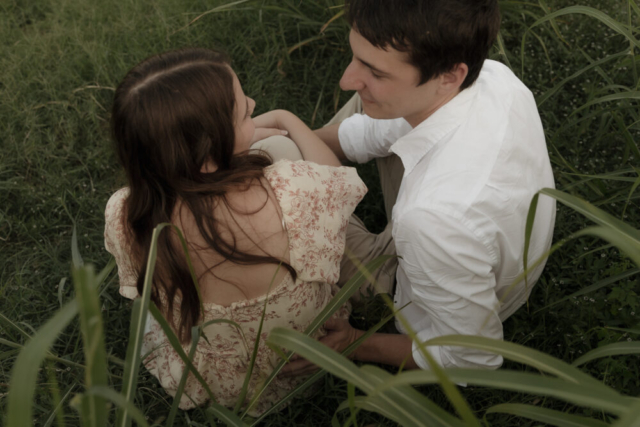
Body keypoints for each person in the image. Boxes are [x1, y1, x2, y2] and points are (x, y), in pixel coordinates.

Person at [280, 0, 556, 373]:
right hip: (467, 250)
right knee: (288, 143)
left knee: (270, 204)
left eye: (374, 71)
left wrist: (351, 343)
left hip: (422, 276)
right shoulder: (491, 77)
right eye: (356, 57)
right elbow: (374, 130)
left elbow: (470, 359)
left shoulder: (433, 220)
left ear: (448, 75)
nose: (347, 79)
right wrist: (291, 134)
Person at [104, 47, 367, 414]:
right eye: (245, 110)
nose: (254, 103)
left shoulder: (125, 214)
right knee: (279, 146)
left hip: (216, 383)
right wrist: (285, 117)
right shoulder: (288, 193)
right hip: (305, 360)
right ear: (209, 155)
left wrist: (238, 136)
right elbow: (340, 178)